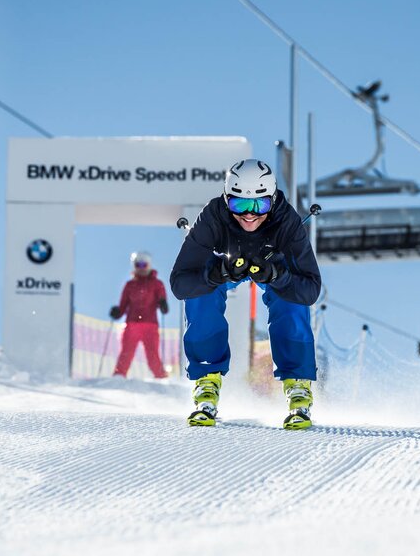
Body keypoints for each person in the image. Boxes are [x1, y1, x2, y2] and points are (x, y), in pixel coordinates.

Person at [170, 159, 322, 429]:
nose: (249, 214)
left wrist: (277, 275)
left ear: (272, 201)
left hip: (272, 268)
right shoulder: (213, 218)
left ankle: (297, 385)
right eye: (239, 205)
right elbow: (180, 283)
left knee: (290, 298)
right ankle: (207, 379)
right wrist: (214, 275)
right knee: (201, 291)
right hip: (225, 266)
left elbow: (310, 290)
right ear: (226, 199)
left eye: (259, 205)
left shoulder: (287, 223)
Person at [109, 251, 170, 380]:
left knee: (152, 355)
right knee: (126, 353)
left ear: (149, 265)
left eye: (144, 265)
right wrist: (117, 312)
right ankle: (118, 377)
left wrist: (163, 304)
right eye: (138, 265)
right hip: (132, 325)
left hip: (150, 325)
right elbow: (123, 306)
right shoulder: (130, 285)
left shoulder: (157, 284)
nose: (141, 268)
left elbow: (162, 302)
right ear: (134, 266)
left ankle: (161, 378)